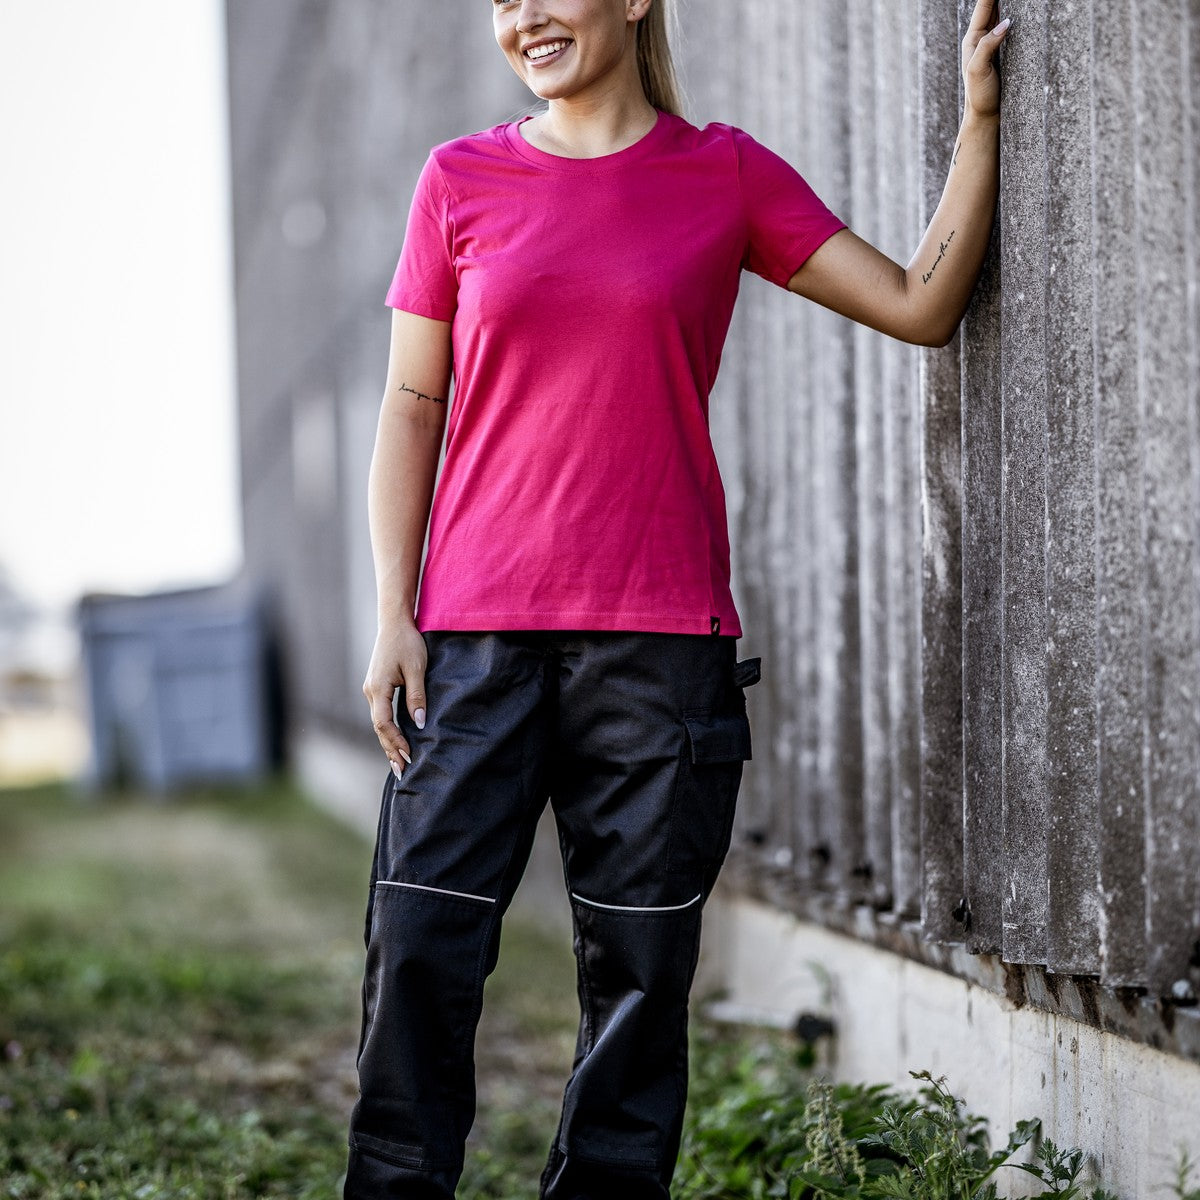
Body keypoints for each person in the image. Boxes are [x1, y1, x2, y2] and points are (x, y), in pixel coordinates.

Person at [344, 1, 1010, 1196]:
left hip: (660, 653)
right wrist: (395, 610)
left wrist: (981, 119)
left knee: (640, 991)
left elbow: (920, 304)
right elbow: (411, 404)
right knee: (418, 956)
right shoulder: (458, 180)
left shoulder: (724, 175)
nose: (524, 17)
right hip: (472, 646)